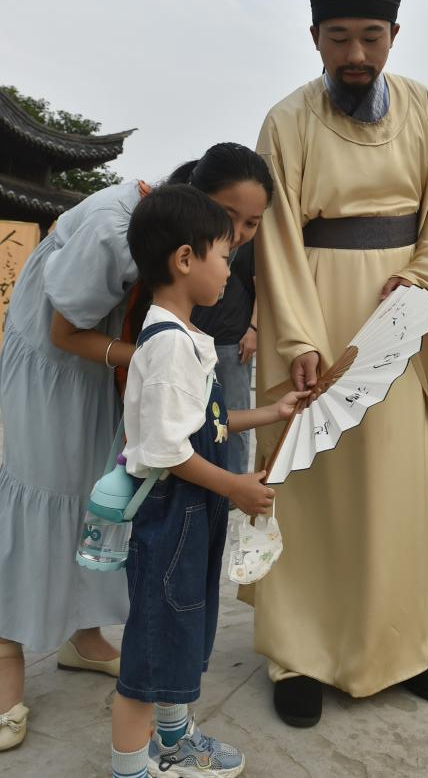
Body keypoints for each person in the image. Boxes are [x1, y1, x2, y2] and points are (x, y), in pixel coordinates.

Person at [249, 0, 428, 726]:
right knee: (311, 486)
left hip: (395, 325)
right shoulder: (287, 121)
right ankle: (298, 652)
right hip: (312, 317)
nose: (356, 54)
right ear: (315, 37)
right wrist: (299, 340)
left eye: (371, 35)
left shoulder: (427, 111)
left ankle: (401, 648)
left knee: (391, 488)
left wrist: (421, 282)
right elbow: (275, 237)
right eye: (339, 37)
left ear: (394, 34)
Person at [0, 142, 272, 753]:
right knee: (38, 491)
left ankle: (84, 636)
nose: (237, 236)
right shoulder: (112, 229)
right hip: (53, 362)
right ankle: (4, 656)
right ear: (192, 198)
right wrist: (162, 359)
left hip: (107, 361)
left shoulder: (188, 244)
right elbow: (64, 331)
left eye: (252, 224)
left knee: (100, 491)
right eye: (229, 217)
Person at [111, 185, 307, 778]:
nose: (229, 268)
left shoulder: (186, 338)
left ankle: (174, 738)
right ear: (184, 259)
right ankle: (129, 767)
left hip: (192, 511)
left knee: (180, 630)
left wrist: (270, 412)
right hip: (174, 511)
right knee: (151, 653)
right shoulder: (170, 347)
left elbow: (207, 422)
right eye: (224, 255)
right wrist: (235, 487)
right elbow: (168, 450)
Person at [192, 240, 257, 478]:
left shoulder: (248, 239)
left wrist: (254, 329)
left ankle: (235, 481)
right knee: (195, 414)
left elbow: (263, 285)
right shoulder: (202, 232)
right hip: (195, 334)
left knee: (233, 415)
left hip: (233, 339)